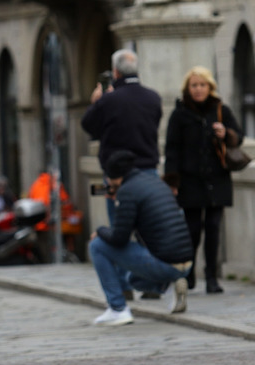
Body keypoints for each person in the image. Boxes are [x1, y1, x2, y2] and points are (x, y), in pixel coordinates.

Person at [81, 48, 162, 300]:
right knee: (148, 228)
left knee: (119, 230)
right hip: (148, 170)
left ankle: (123, 286)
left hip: (117, 176)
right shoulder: (153, 97)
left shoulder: (109, 100)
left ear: (115, 72)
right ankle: (150, 283)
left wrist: (97, 103)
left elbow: (88, 126)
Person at [88, 150, 194, 326]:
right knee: (133, 280)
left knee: (97, 245)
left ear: (115, 176)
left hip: (165, 263)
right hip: (186, 263)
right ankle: (168, 287)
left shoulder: (127, 192)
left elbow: (118, 239)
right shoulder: (154, 183)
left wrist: (99, 230)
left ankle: (118, 309)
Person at [164, 66, 244, 294]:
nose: (198, 89)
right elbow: (172, 149)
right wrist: (172, 181)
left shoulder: (220, 110)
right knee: (191, 229)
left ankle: (211, 276)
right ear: (187, 89)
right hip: (190, 181)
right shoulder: (179, 114)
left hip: (217, 179)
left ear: (210, 87)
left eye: (202, 85)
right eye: (194, 85)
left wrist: (225, 134)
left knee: (213, 227)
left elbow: (238, 137)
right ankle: (189, 274)